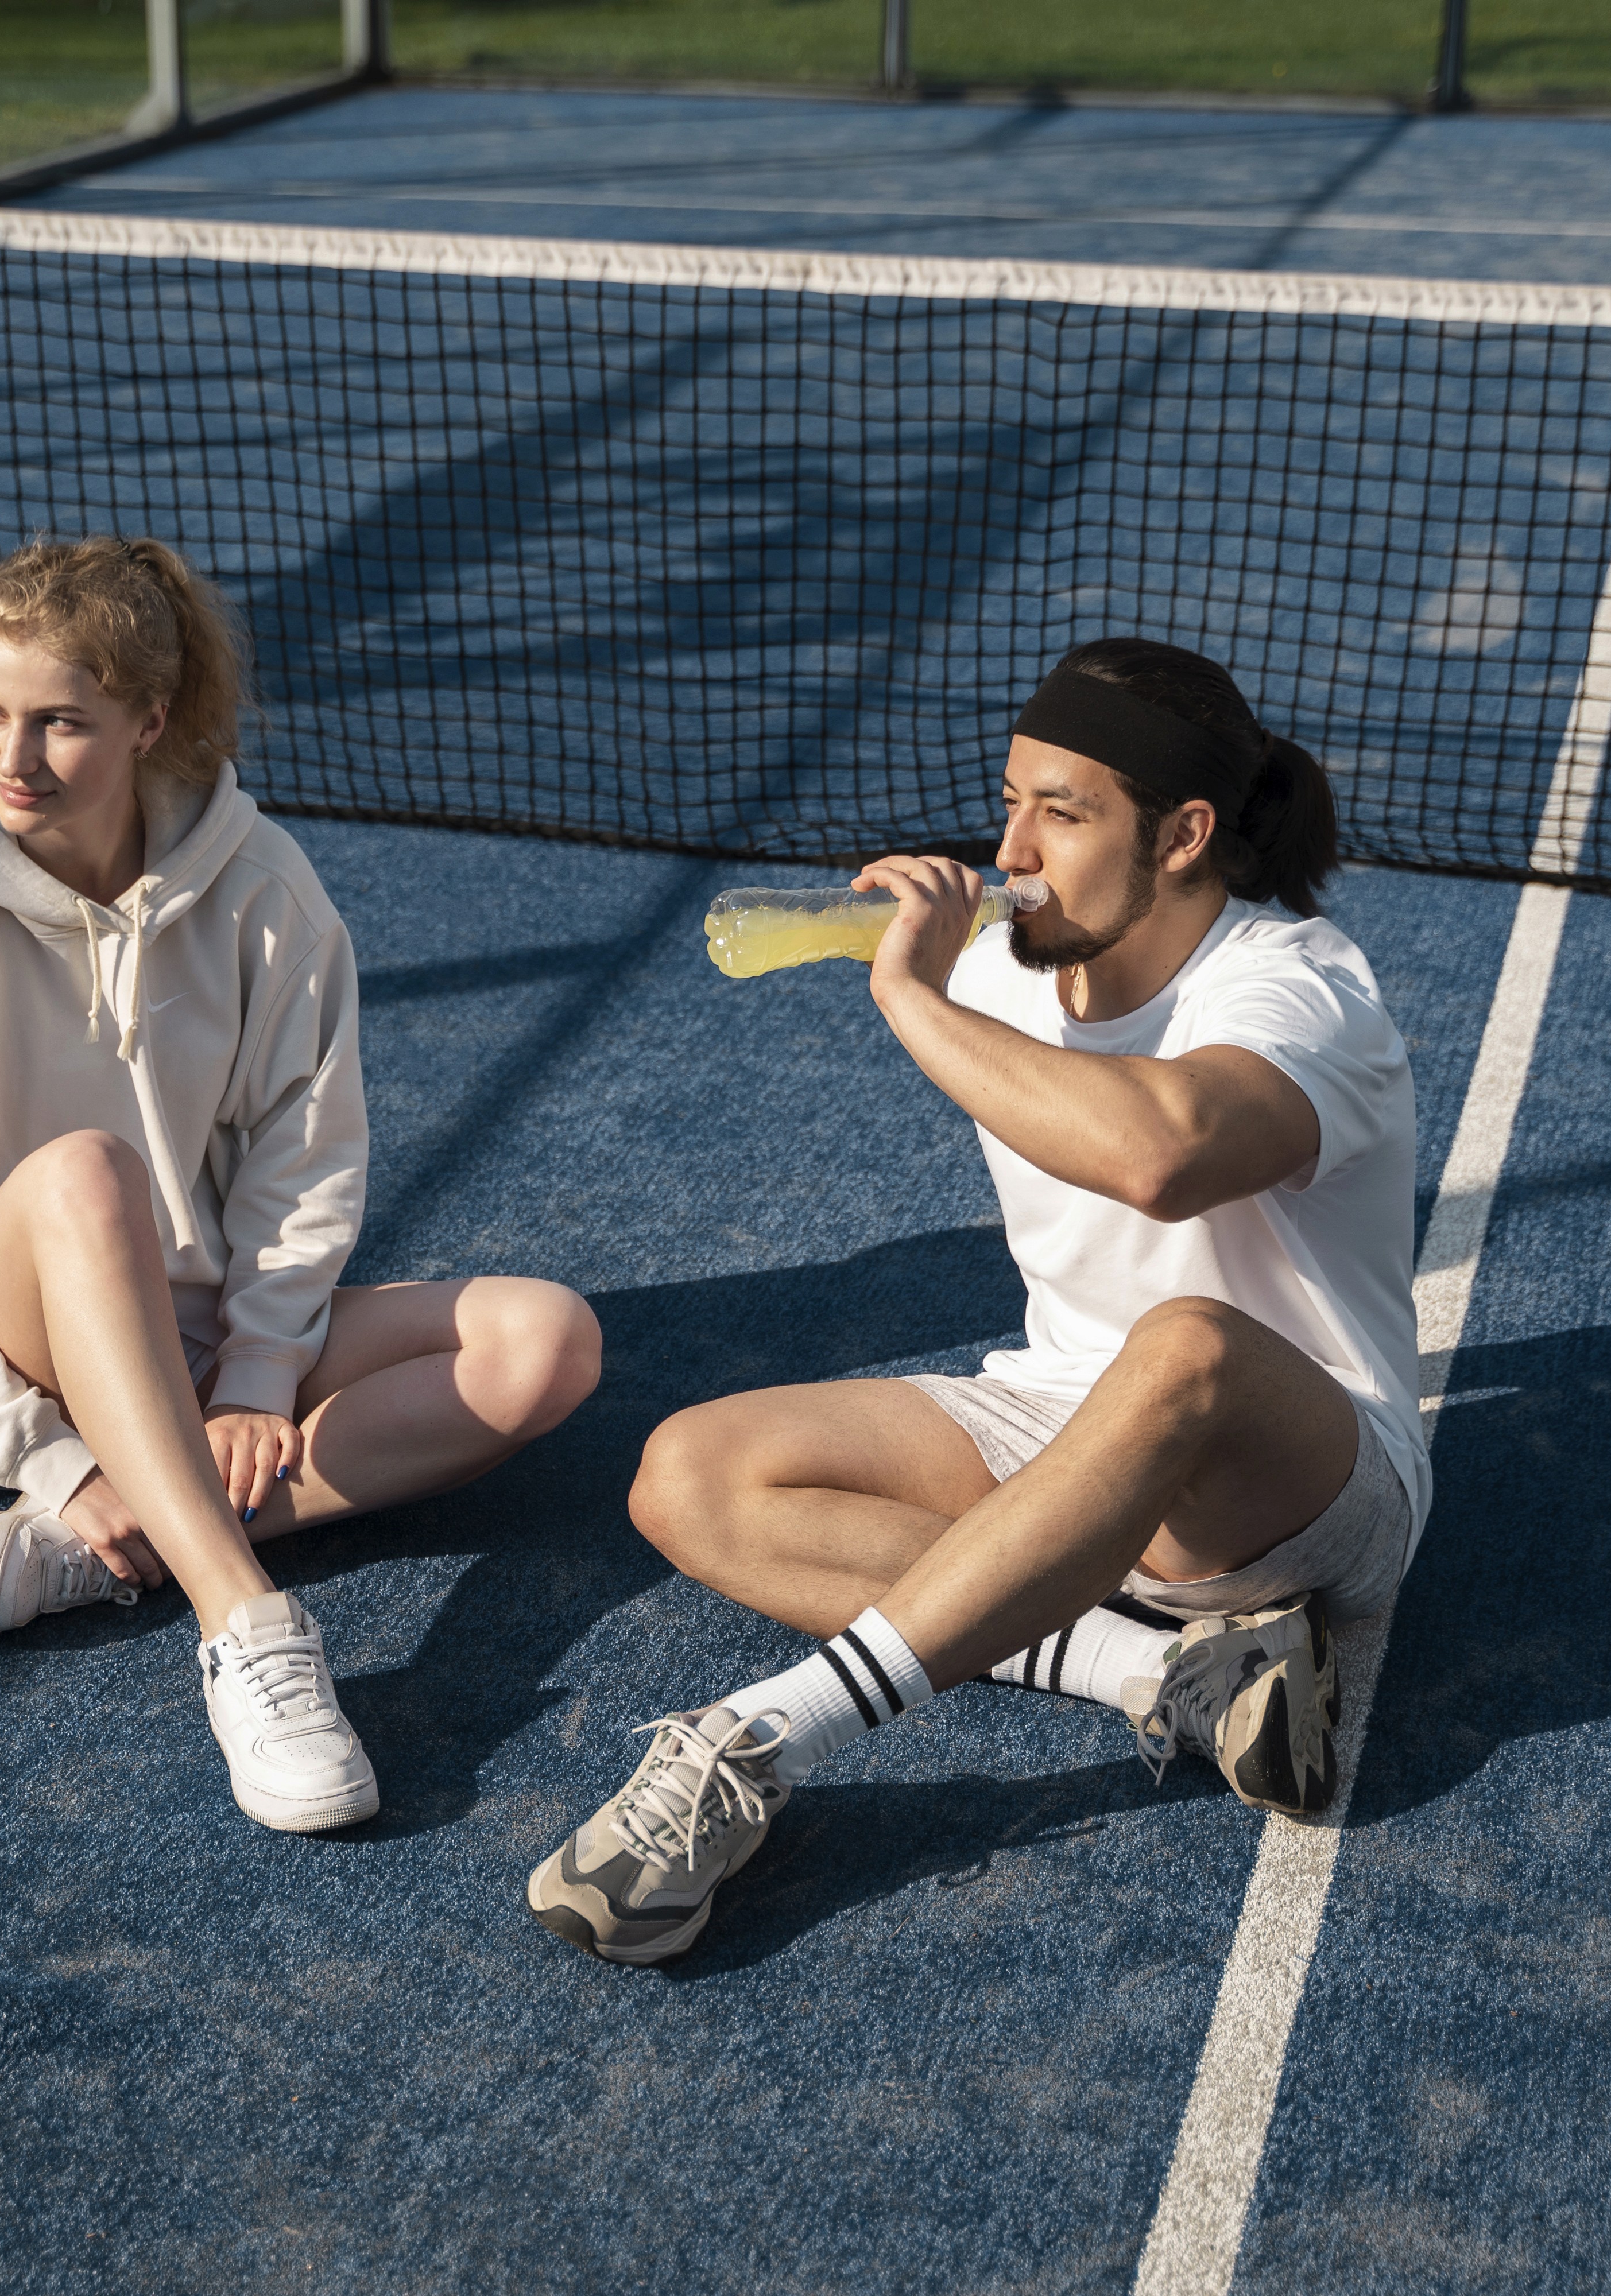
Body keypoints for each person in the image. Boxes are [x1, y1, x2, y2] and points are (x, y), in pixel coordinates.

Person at [526, 638, 1423, 1964]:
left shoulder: (1298, 985)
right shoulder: (1008, 962)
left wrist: (904, 989)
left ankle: (766, 1734)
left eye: (1061, 813)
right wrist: (925, 963)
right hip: (1064, 1423)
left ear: (1183, 834)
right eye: (1009, 798)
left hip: (1291, 1484)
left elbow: (1162, 1154)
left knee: (1182, 1347)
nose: (1010, 847)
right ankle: (1167, 1676)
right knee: (688, 1474)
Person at [0, 537, 603, 1835]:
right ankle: (242, 1615)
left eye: (61, 722)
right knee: (85, 1173)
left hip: (192, 1343)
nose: (11, 759)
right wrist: (56, 1459)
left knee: (548, 1344)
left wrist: (255, 1366)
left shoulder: (264, 894)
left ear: (150, 720)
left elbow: (308, 1159)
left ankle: (106, 1546)